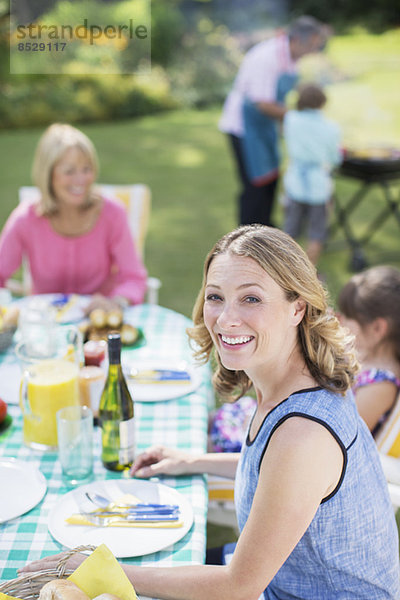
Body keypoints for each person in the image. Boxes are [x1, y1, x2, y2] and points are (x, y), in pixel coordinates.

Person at [20, 225, 400, 598]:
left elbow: (237, 587)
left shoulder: (303, 434)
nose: (226, 318)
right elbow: (281, 478)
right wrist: (193, 460)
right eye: (216, 297)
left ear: (296, 308)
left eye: (251, 299)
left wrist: (97, 569)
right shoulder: (296, 377)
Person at [0, 123, 147, 312]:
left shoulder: (112, 214)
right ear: (48, 175)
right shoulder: (26, 218)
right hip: (45, 328)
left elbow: (133, 278)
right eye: (69, 171)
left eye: (86, 169)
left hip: (98, 326)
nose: (81, 180)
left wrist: (117, 302)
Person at [219, 16, 329, 227]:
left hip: (264, 127)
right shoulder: (267, 58)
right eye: (313, 45)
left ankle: (266, 228)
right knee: (255, 185)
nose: (315, 50)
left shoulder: (291, 57)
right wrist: (301, 119)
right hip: (244, 128)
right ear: (298, 40)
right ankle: (248, 236)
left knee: (270, 179)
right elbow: (263, 104)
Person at [282, 83, 342, 266]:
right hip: (318, 186)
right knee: (316, 232)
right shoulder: (331, 127)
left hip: (294, 183)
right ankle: (309, 274)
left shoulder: (291, 119)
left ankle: (283, 272)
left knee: (290, 230)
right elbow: (335, 158)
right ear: (322, 103)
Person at [337, 265, 400, 436]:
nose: (339, 320)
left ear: (378, 328)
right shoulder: (366, 356)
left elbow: (344, 436)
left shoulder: (381, 384)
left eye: (347, 316)